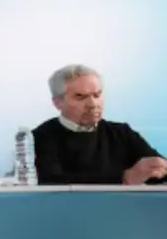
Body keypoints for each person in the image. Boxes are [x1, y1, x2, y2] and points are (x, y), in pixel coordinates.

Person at [32, 64, 167, 185]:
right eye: (80, 97)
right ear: (57, 103)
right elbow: (51, 183)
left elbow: (158, 173)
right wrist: (124, 178)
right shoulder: (40, 137)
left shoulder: (121, 133)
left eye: (97, 95)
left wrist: (157, 170)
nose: (92, 104)